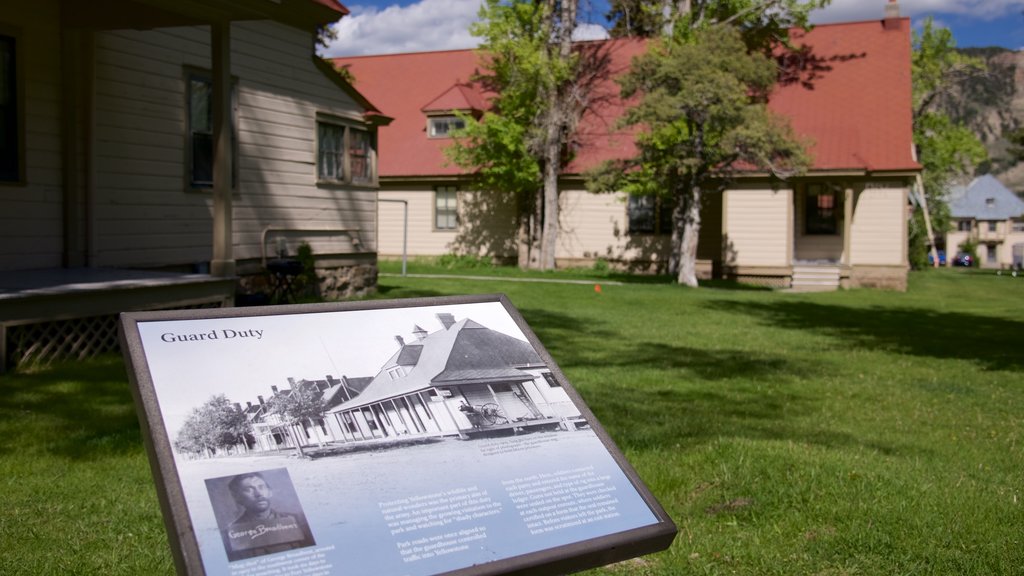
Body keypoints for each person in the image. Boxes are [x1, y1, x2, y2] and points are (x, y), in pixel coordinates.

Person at [220, 472, 314, 561]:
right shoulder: (230, 535)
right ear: (237, 497)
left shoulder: (298, 521)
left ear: (270, 492)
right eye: (249, 489)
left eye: (261, 487)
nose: (259, 494)